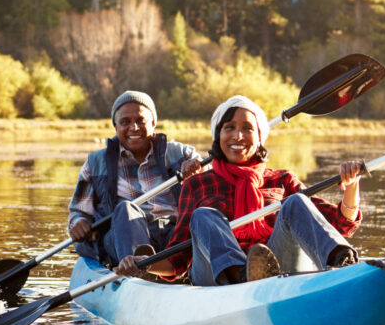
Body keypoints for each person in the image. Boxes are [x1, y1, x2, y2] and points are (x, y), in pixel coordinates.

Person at [115, 95, 364, 285]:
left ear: (259, 138)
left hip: (278, 267)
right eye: (230, 127)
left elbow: (341, 224)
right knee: (204, 215)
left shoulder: (282, 179)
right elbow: (179, 261)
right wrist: (143, 264)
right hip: (218, 281)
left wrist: (351, 186)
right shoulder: (198, 183)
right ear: (218, 135)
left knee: (295, 202)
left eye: (247, 128)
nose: (238, 136)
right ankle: (240, 274)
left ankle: (344, 265)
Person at [68, 90, 202, 268]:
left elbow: (210, 192)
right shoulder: (95, 163)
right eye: (125, 122)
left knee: (202, 219)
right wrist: (78, 222)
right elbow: (79, 211)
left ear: (153, 123)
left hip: (174, 236)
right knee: (125, 208)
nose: (134, 128)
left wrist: (196, 171)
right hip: (122, 238)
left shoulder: (183, 154)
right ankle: (137, 268)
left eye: (141, 120)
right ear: (115, 127)